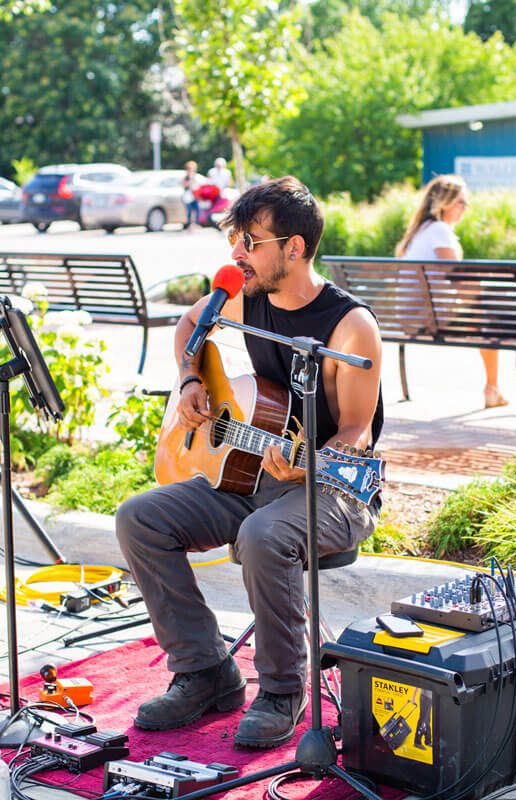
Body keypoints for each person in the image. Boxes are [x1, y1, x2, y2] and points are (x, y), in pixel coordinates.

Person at [115, 176, 384, 748]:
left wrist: (313, 465)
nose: (237, 253)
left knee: (263, 535)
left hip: (335, 489)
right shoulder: (247, 294)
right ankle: (206, 672)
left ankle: (284, 690)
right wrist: (190, 380)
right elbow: (190, 327)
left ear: (295, 247)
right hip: (254, 470)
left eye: (251, 241)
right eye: (235, 239)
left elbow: (357, 432)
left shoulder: (350, 325)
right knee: (140, 517)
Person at [395, 174, 516, 409]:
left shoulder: (422, 231)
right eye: (461, 202)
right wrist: (499, 279)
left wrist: (492, 281)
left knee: (487, 313)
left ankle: (505, 375)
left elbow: (455, 281)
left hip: (412, 316)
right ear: (444, 203)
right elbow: (458, 279)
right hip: (428, 317)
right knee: (495, 308)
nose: (465, 208)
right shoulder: (439, 230)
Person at [181, 161, 201, 229]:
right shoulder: (186, 177)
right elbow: (184, 185)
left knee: (197, 210)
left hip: (195, 196)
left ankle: (196, 224)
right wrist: (189, 180)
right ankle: (189, 224)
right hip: (188, 197)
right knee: (189, 211)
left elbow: (198, 185)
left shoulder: (196, 176)